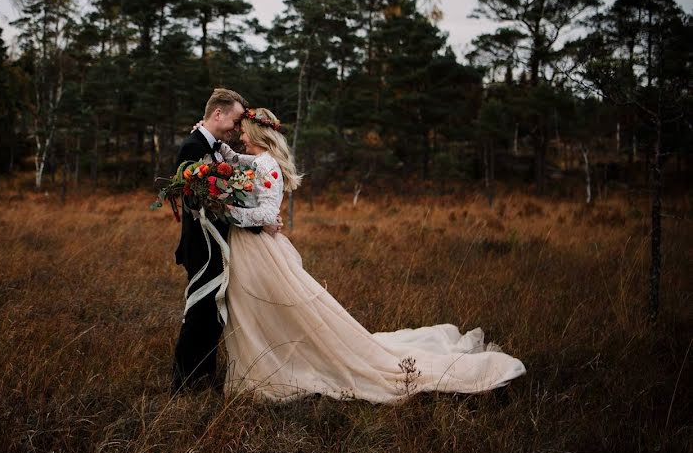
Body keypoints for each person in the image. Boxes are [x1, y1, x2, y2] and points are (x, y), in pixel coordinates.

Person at [214, 107, 527, 404]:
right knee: (265, 310)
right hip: (253, 249)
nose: (240, 137)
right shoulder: (259, 161)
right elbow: (244, 164)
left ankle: (276, 364)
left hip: (259, 251)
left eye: (243, 133)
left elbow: (268, 212)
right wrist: (225, 154)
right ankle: (267, 359)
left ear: (256, 133)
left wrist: (229, 212)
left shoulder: (266, 165)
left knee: (278, 310)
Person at [171, 89, 282, 394]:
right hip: (203, 246)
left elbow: (233, 190)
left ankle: (204, 377)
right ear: (217, 113)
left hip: (222, 243)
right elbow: (200, 203)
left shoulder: (217, 148)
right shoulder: (192, 148)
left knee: (213, 315)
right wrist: (260, 224)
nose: (237, 128)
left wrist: (262, 218)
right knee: (199, 312)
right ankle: (183, 385)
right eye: (234, 120)